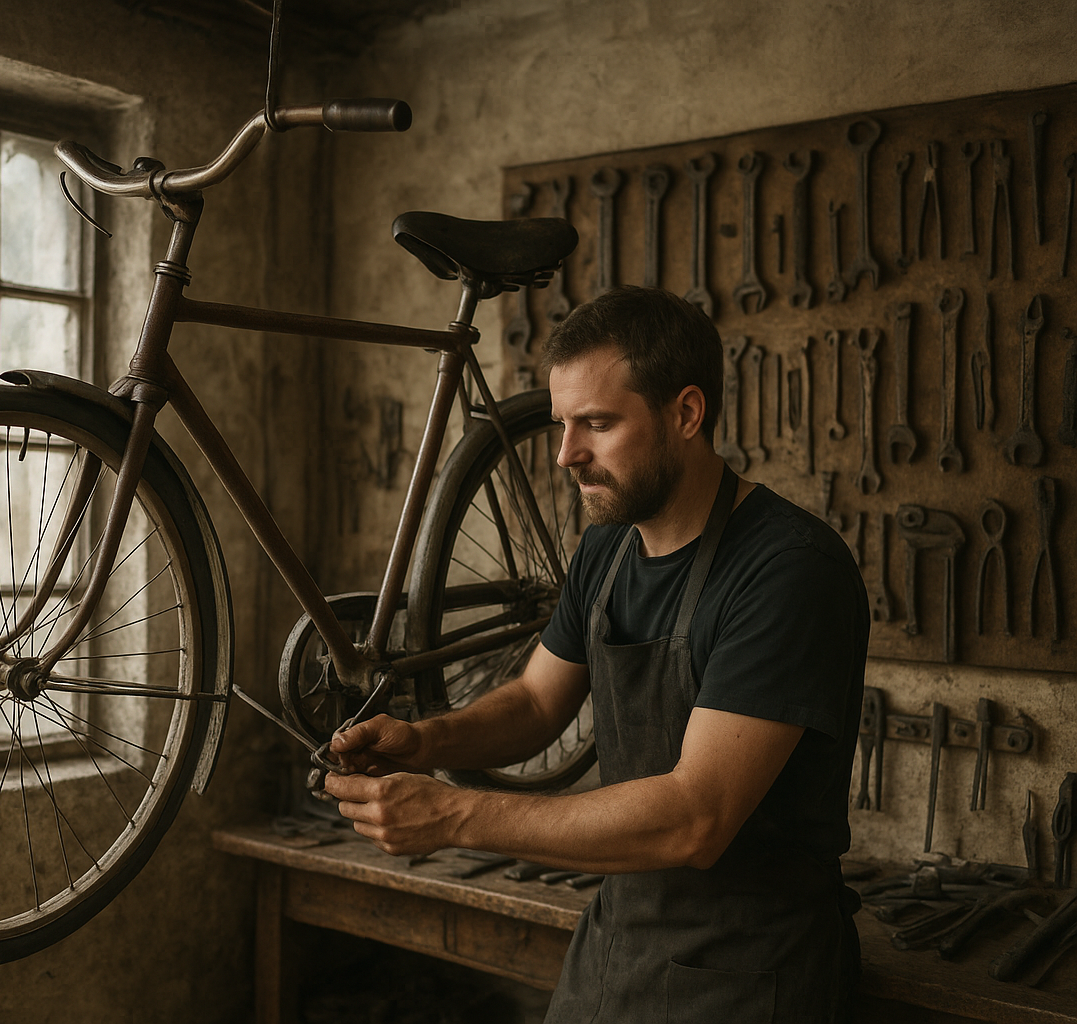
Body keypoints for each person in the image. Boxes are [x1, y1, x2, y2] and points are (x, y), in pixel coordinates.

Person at [322, 285, 868, 1023]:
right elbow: (537, 702)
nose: (564, 455)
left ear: (686, 413)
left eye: (598, 424)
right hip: (617, 947)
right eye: (561, 424)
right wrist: (425, 741)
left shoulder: (789, 571)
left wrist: (453, 816)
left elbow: (694, 817)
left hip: (748, 971)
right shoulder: (608, 548)